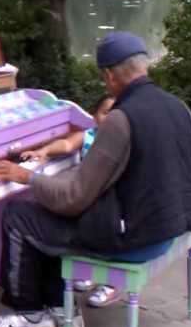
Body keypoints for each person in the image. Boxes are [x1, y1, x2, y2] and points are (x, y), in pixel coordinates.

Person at [0, 31, 191, 327]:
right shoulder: (178, 107)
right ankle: (61, 310)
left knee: (19, 214)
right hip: (164, 233)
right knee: (51, 214)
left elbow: (74, 198)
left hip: (131, 240)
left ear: (109, 76)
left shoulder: (120, 120)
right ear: (143, 67)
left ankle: (30, 316)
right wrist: (189, 224)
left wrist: (27, 176)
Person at [21, 95, 120, 306]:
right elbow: (66, 144)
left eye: (115, 114)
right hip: (87, 194)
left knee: (105, 233)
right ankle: (91, 272)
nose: (110, 118)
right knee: (83, 230)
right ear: (94, 117)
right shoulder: (89, 135)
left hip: (107, 198)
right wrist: (44, 150)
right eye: (105, 113)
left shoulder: (121, 142)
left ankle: (110, 283)